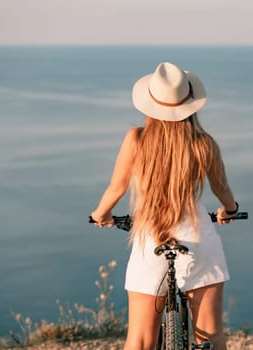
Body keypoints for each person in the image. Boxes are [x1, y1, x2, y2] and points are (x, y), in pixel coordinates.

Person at [90, 62, 239, 350]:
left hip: (152, 240)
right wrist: (229, 210)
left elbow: (116, 189)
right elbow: (222, 190)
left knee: (141, 339)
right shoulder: (203, 143)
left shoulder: (136, 140)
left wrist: (101, 214)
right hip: (198, 239)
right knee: (210, 334)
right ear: (190, 104)